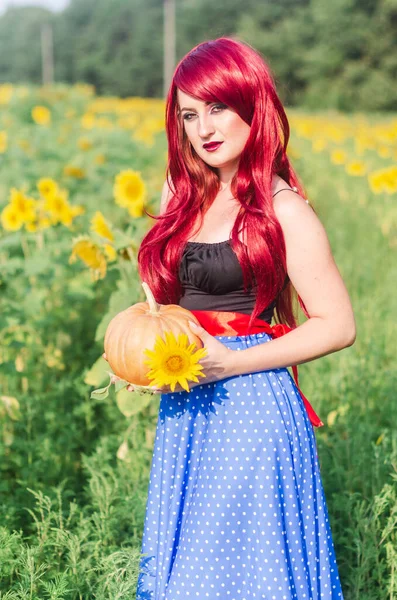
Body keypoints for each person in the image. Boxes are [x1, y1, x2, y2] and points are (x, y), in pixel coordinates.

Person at [106, 36, 356, 599]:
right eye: (190, 114)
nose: (203, 128)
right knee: (190, 569)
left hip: (252, 407)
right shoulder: (183, 195)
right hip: (187, 404)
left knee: (240, 575)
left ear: (253, 104)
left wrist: (228, 363)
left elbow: (338, 324)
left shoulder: (282, 207)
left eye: (217, 107)